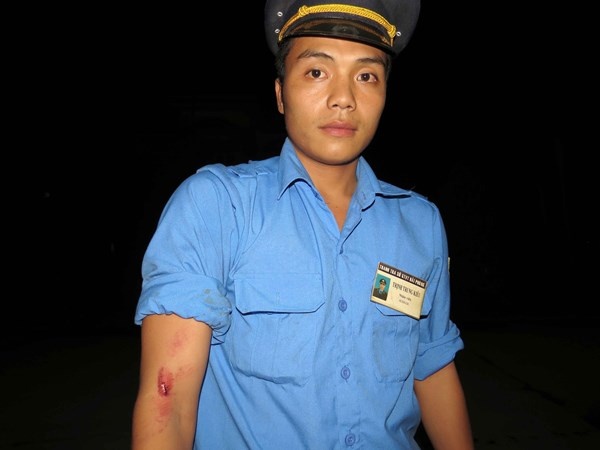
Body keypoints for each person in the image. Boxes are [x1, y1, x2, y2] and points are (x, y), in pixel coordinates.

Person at [131, 0, 474, 448]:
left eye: (366, 76)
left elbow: (431, 366)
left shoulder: (420, 223)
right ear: (280, 94)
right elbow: (169, 402)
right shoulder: (217, 206)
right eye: (316, 72)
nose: (343, 98)